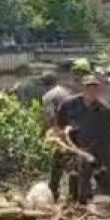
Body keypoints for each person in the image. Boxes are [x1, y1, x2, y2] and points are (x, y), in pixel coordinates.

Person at [54, 73, 110, 210]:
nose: (92, 91)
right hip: (74, 147)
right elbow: (58, 127)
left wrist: (107, 156)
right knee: (67, 158)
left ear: (98, 90)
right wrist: (64, 137)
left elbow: (107, 135)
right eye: (88, 88)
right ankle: (75, 200)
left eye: (94, 88)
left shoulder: (104, 109)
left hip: (97, 147)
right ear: (83, 89)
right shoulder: (69, 105)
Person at [38, 72, 74, 200]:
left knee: (58, 161)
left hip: (60, 131)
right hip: (73, 130)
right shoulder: (66, 91)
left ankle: (54, 191)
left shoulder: (48, 96)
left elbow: (50, 117)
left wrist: (45, 132)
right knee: (72, 160)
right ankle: (73, 191)